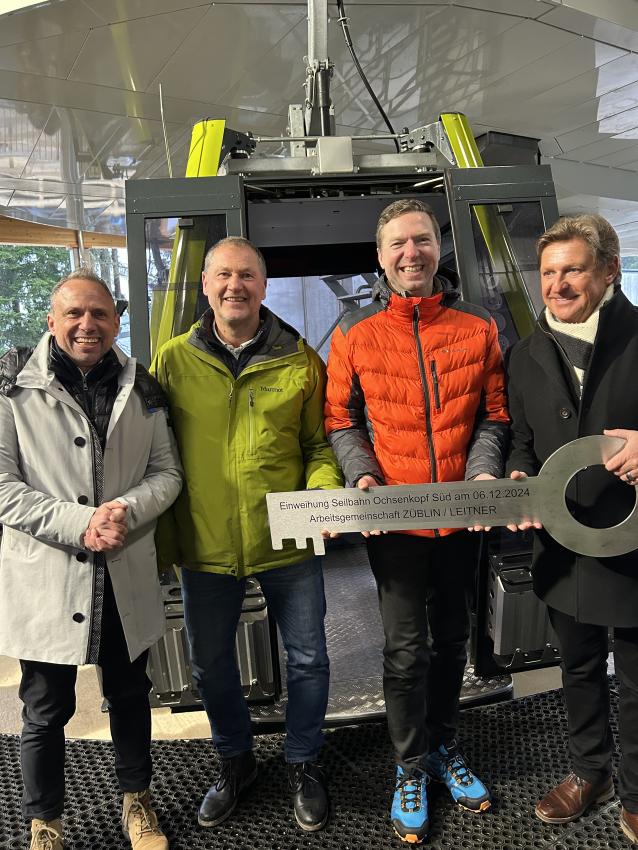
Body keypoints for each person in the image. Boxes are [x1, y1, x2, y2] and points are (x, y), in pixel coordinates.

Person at [324, 198, 509, 844]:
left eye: (422, 240)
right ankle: (409, 766)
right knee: (407, 650)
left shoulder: (478, 326)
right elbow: (339, 419)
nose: (412, 253)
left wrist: (483, 471)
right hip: (395, 522)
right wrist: (363, 475)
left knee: (453, 642)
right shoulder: (354, 334)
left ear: (439, 248)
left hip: (461, 518)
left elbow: (494, 413)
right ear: (380, 257)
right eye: (398, 243)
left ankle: (443, 749)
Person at [152, 236, 342, 833]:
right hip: (205, 545)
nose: (235, 286)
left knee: (309, 659)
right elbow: (152, 452)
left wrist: (322, 492)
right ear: (206, 285)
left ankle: (304, 762)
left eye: (247, 277)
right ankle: (236, 763)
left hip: (285, 541)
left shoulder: (301, 360)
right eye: (223, 276)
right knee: (209, 666)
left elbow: (318, 447)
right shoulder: (172, 362)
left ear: (264, 286)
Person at [0, 270, 183, 850]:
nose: (88, 325)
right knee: (45, 708)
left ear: (117, 321)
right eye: (74, 314)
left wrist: (125, 509)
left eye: (100, 314)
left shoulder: (144, 388)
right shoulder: (11, 389)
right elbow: (3, 488)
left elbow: (167, 473)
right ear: (50, 321)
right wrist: (82, 524)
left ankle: (138, 803)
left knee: (131, 696)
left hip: (123, 570)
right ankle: (45, 822)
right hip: (50, 574)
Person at [505, 214, 638, 845]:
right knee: (578, 667)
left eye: (573, 270)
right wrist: (515, 477)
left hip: (633, 544)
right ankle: (591, 773)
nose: (558, 284)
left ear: (608, 271)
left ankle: (637, 789)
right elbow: (523, 444)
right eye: (549, 272)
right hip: (562, 546)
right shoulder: (527, 353)